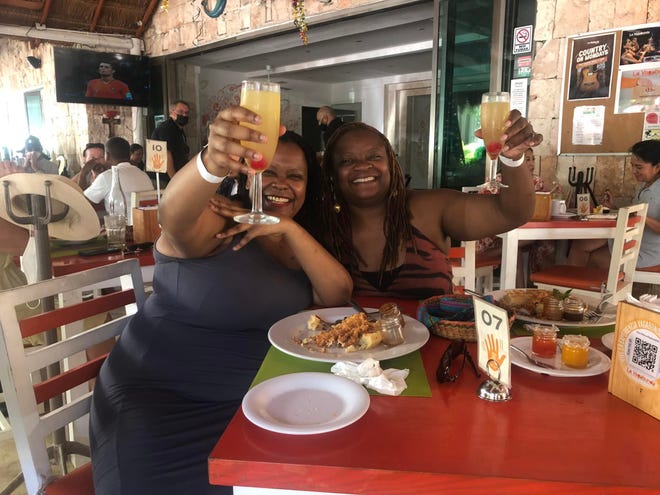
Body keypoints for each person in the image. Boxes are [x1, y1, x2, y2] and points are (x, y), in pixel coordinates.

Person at [89, 105, 352, 495]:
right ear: (247, 172)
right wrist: (212, 162)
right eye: (271, 171)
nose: (282, 183)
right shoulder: (215, 218)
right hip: (159, 406)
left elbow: (338, 296)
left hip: (250, 410)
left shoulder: (287, 237)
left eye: (295, 176)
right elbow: (172, 217)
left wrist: (289, 229)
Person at [319, 114, 542, 299]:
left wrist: (513, 158)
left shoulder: (428, 208)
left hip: (437, 350)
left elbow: (512, 213)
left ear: (391, 163)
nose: (362, 166)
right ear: (331, 173)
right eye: (347, 161)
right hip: (347, 352)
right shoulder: (322, 226)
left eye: (374, 156)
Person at [567, 139, 660, 270]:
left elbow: (641, 216)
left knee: (596, 258)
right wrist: (613, 208)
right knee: (581, 245)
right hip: (630, 239)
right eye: (632, 166)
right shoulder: (644, 185)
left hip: (647, 251)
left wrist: (642, 217)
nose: (633, 171)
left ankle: (583, 287)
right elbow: (634, 214)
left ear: (657, 167)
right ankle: (574, 286)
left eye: (639, 167)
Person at [475, 147, 555, 286]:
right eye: (527, 159)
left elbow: (547, 201)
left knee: (547, 243)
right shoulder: (498, 181)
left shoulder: (537, 181)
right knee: (517, 247)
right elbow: (483, 207)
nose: (531, 164)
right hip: (494, 231)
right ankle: (520, 295)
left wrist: (554, 195)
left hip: (523, 230)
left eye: (533, 159)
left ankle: (539, 289)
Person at [81, 137, 154, 223]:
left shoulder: (107, 176)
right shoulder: (143, 174)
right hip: (148, 225)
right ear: (130, 154)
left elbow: (83, 202)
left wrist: (83, 173)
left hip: (124, 230)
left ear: (107, 156)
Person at [151, 100, 191, 179]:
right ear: (171, 112)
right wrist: (174, 179)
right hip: (165, 179)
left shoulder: (178, 129)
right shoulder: (167, 128)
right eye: (180, 111)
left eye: (186, 113)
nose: (184, 115)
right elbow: (166, 155)